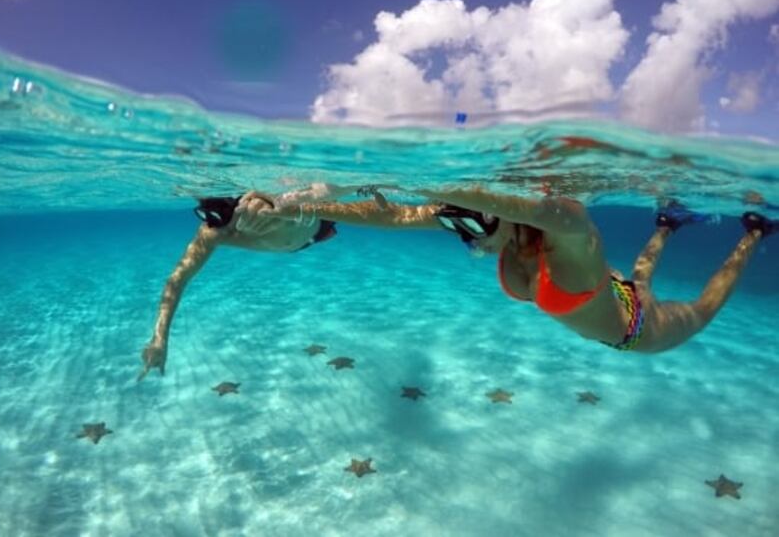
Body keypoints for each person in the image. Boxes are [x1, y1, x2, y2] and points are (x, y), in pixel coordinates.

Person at [266, 187, 776, 353]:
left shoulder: (569, 241)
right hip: (611, 293)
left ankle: (755, 232)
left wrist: (443, 187)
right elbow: (394, 216)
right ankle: (667, 225)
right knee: (638, 280)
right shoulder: (492, 225)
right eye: (461, 229)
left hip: (636, 331)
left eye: (474, 226)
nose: (469, 240)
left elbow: (561, 213)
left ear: (506, 212)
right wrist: (307, 208)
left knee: (701, 310)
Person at [138, 184, 365, 381]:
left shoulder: (276, 206)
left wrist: (274, 206)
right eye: (209, 214)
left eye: (223, 212)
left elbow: (322, 192)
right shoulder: (215, 231)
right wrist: (159, 339)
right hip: (300, 235)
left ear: (242, 201)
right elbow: (177, 279)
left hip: (318, 226)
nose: (220, 223)